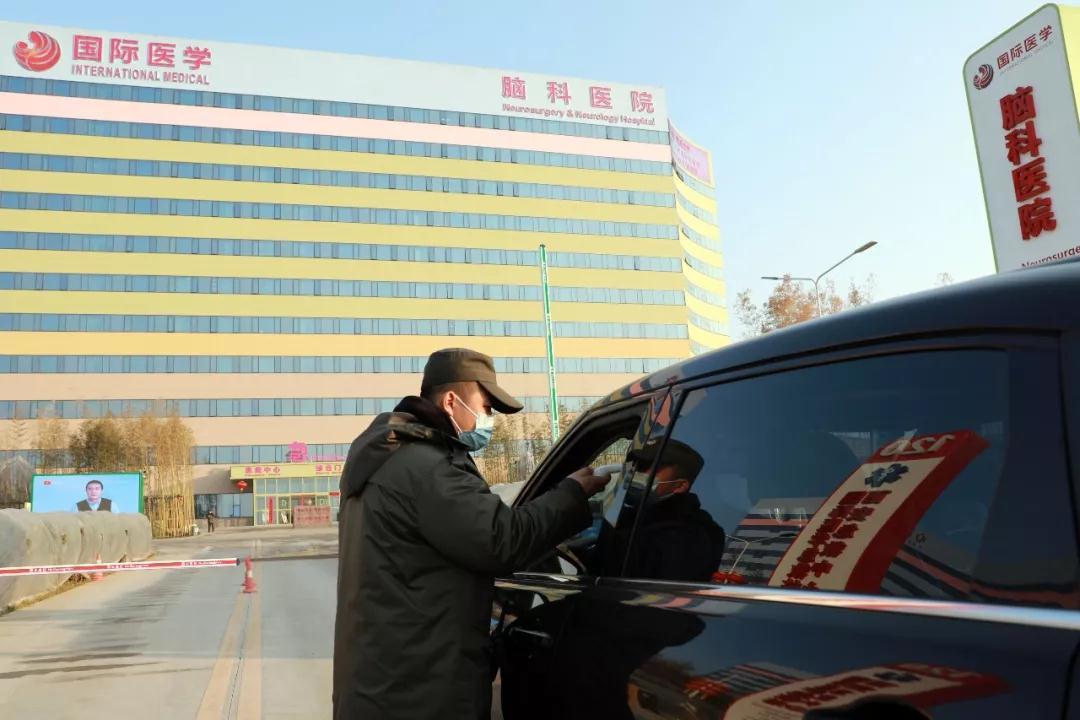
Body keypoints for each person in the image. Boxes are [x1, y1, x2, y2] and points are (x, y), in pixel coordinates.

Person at [333, 348, 609, 720]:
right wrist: (572, 493)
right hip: (419, 695)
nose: (489, 420)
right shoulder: (427, 467)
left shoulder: (388, 458)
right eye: (487, 407)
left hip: (384, 684)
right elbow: (501, 540)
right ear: (451, 401)